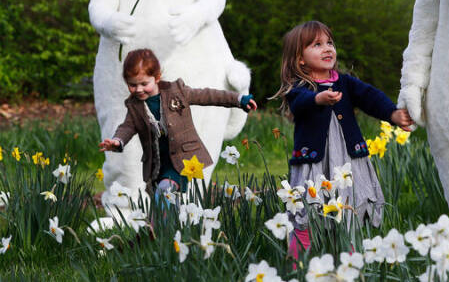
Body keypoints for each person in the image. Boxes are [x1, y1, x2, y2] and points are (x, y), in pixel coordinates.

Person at [273, 21, 414, 253]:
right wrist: (318, 99)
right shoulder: (299, 88)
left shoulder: (345, 83)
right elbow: (298, 103)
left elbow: (370, 97)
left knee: (349, 211)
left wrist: (393, 113)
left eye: (330, 42)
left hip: (347, 161)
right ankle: (296, 266)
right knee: (305, 213)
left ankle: (349, 263)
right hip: (315, 163)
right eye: (317, 44)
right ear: (300, 59)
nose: (327, 48)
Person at [99, 48, 257, 204]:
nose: (138, 89)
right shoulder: (135, 105)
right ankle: (166, 228)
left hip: (182, 160)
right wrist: (118, 141)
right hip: (157, 164)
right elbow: (127, 127)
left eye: (144, 83)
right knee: (162, 201)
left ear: (157, 77)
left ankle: (159, 228)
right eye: (132, 85)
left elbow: (209, 95)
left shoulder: (176, 92)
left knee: (164, 192)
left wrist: (239, 99)